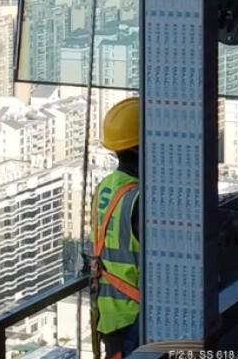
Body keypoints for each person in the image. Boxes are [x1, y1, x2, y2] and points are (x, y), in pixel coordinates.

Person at [92, 98, 143, 359]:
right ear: (139, 147)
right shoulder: (140, 200)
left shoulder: (106, 187)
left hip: (111, 317)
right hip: (135, 319)